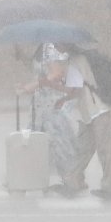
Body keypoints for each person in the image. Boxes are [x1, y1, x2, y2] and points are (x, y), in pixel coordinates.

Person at [17, 43, 83, 197]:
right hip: (40, 106)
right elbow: (43, 72)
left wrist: (35, 84)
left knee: (55, 144)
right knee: (36, 144)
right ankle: (23, 180)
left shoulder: (49, 49)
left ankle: (70, 181)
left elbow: (57, 73)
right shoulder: (41, 49)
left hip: (50, 106)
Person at [65, 43, 111, 202]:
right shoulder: (81, 59)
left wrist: (56, 90)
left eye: (57, 44)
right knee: (84, 147)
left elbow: (73, 90)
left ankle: (110, 188)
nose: (55, 46)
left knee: (105, 150)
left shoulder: (75, 62)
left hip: (97, 109)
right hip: (89, 111)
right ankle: (73, 180)